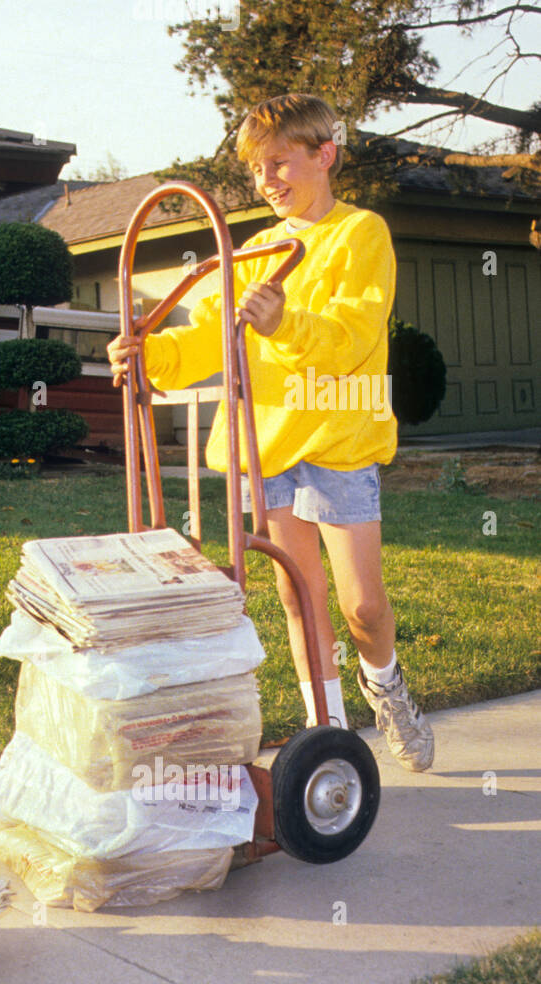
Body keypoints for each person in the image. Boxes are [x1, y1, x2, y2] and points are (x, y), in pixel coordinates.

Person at [107, 93, 433, 772]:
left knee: (363, 606)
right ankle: (330, 736)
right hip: (270, 445)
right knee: (295, 590)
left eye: (279, 162)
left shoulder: (359, 234)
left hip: (339, 444)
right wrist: (149, 354)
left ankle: (388, 684)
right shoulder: (254, 250)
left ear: (325, 154)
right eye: (257, 170)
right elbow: (207, 341)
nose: (267, 180)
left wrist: (285, 324)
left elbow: (352, 336)